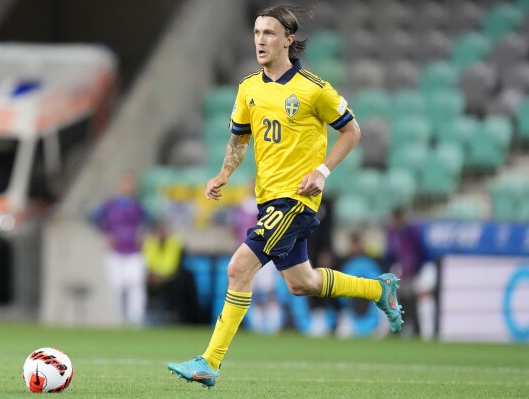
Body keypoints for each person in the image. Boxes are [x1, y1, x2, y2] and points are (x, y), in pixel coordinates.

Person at [168, 5, 403, 388]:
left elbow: (353, 131)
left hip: (296, 201)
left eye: (270, 34)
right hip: (267, 200)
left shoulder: (313, 89)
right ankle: (379, 289)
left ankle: (209, 363)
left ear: (288, 41)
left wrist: (322, 171)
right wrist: (224, 172)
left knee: (237, 269)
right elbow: (240, 138)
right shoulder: (248, 88)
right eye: (257, 33)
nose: (261, 40)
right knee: (302, 283)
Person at [90, 173, 148, 327]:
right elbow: (93, 218)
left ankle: (136, 320)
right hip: (115, 251)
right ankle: (119, 319)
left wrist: (143, 234)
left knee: (135, 284)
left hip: (134, 251)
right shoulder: (110, 205)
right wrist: (105, 234)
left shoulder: (138, 205)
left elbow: (150, 222)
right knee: (117, 286)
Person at [384, 208, 436, 339]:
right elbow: (392, 256)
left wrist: (411, 272)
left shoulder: (414, 232)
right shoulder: (392, 233)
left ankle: (427, 334)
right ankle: (390, 330)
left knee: (423, 298)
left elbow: (421, 254)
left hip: (424, 267)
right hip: (404, 268)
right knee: (385, 290)